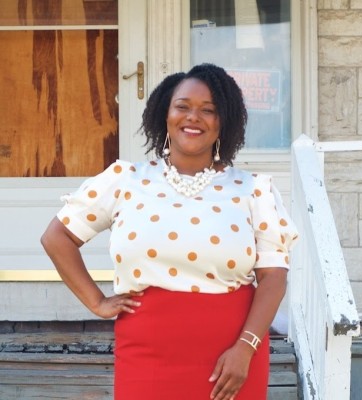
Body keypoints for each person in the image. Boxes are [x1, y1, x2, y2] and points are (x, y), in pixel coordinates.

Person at [41, 63, 298, 400]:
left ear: (224, 121)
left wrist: (246, 348)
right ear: (165, 113)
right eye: (183, 106)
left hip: (232, 358)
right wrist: (97, 301)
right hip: (146, 352)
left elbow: (274, 277)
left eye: (209, 110)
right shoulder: (126, 180)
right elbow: (57, 237)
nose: (193, 117)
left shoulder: (253, 190)